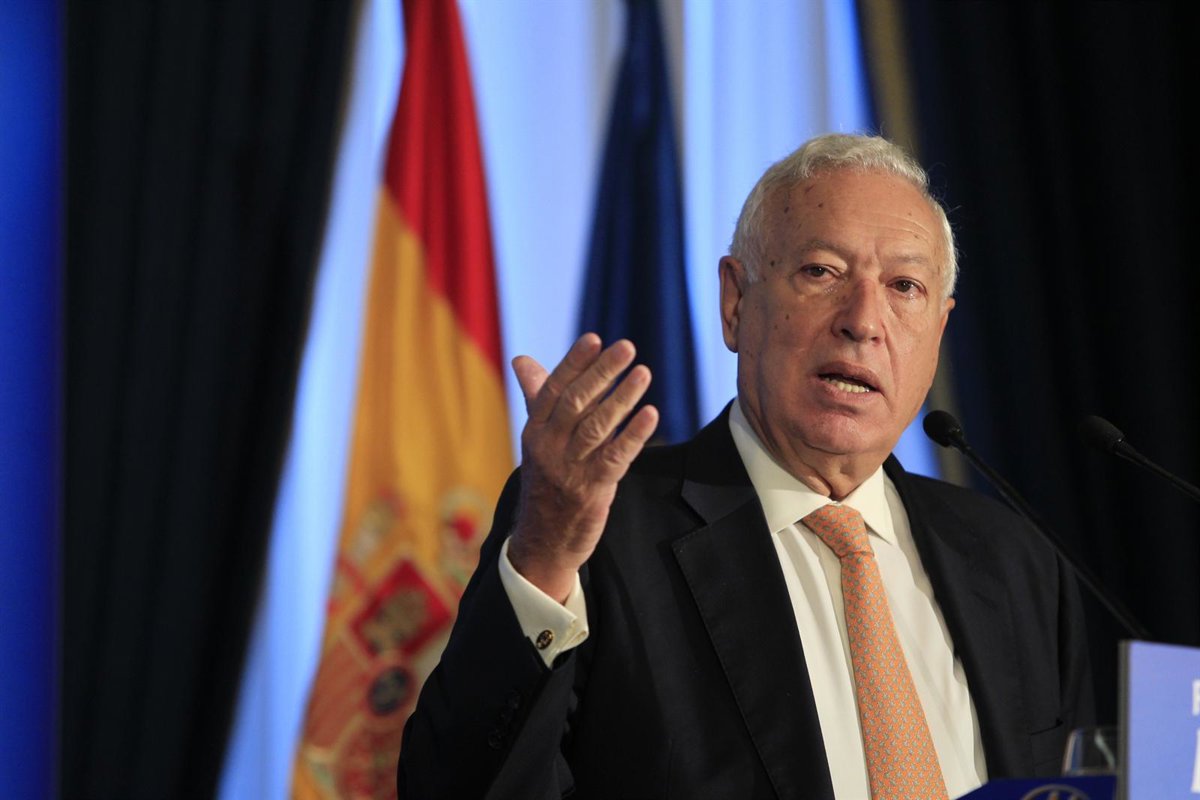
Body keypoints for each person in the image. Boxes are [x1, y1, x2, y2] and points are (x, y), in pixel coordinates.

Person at [397, 133, 1094, 799]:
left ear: (938, 331)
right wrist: (543, 563)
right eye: (821, 271)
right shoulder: (595, 533)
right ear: (735, 302)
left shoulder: (1014, 563)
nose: (863, 320)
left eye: (904, 286)